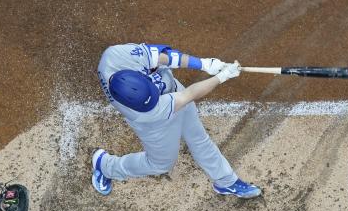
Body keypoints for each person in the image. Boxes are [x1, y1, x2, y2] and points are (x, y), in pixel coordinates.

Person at [93, 43, 261, 199]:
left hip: (174, 90)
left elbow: (164, 56)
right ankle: (106, 166)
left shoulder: (116, 55)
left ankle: (226, 181)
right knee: (160, 164)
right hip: (156, 125)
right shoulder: (146, 112)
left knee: (199, 138)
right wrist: (222, 76)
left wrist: (204, 64)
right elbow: (189, 95)